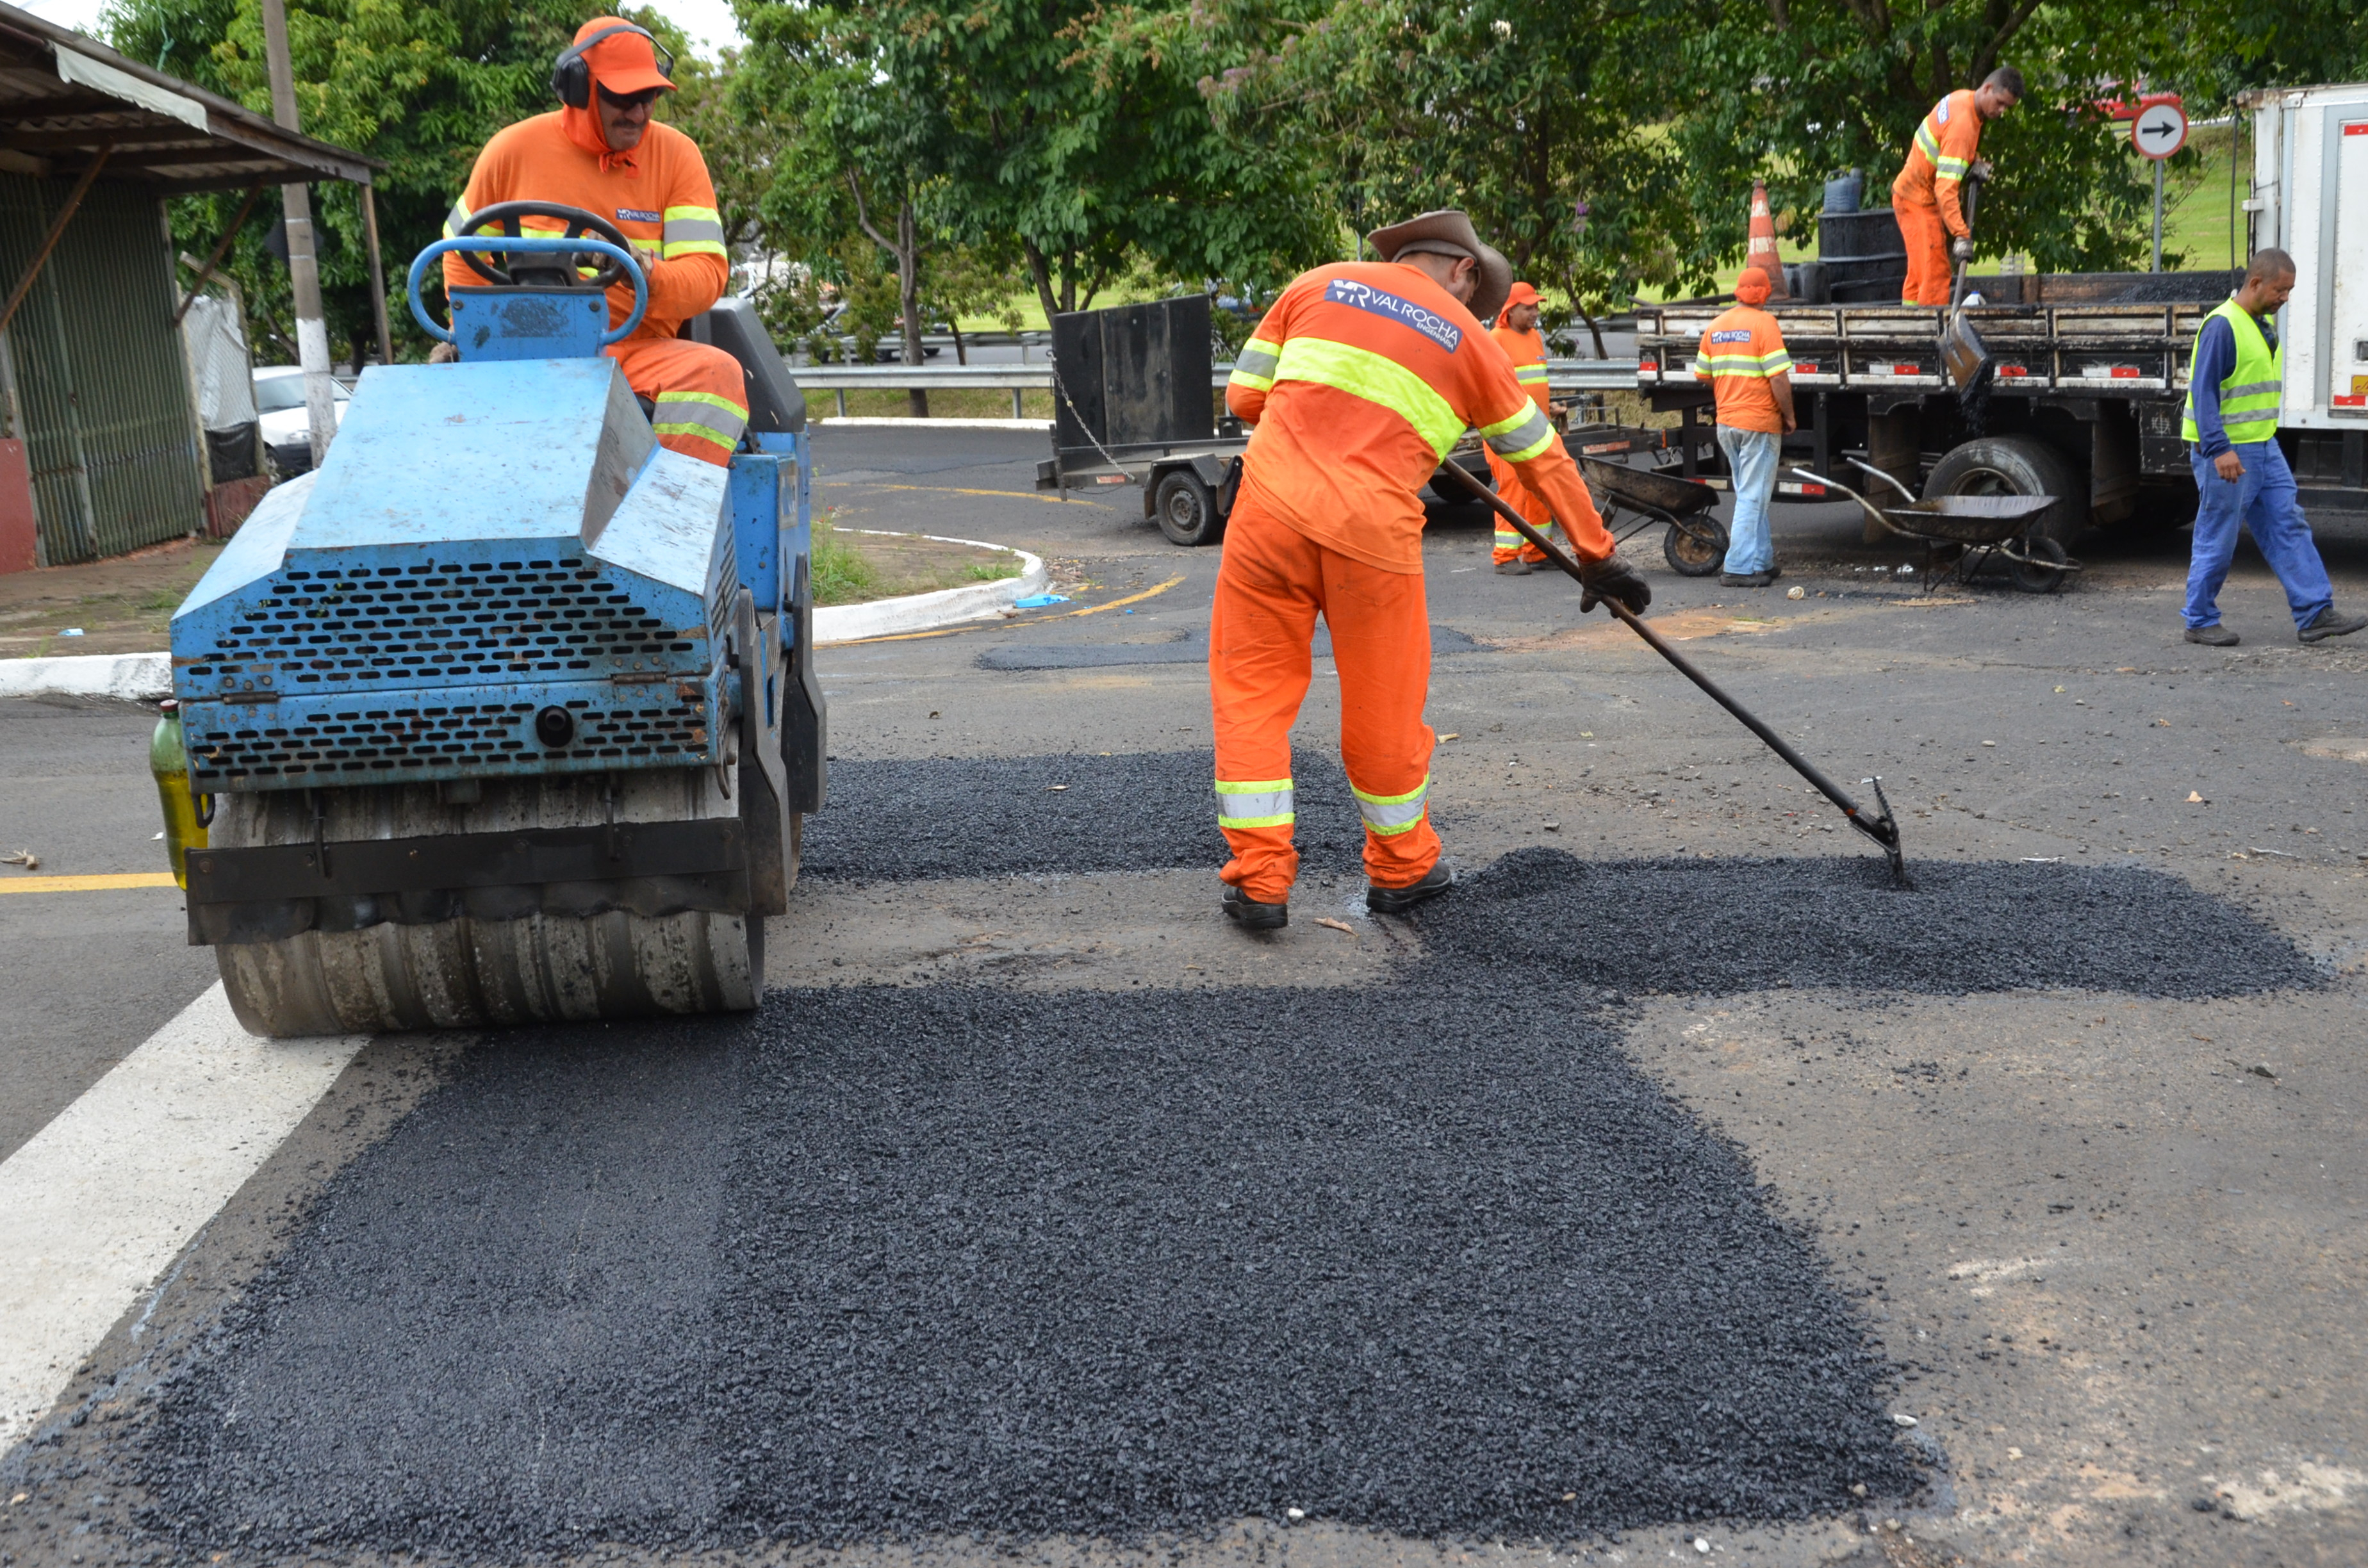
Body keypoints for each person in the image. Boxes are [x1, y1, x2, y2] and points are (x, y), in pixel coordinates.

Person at [1213, 211, 1649, 931]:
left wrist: (1334, 411)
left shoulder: (1317, 285)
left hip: (1268, 519)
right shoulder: (1472, 345)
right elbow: (1541, 460)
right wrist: (1597, 555)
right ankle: (1401, 870)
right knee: (1385, 709)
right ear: (1463, 271)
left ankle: (1259, 881)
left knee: (1251, 695)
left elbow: (1244, 400)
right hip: (1371, 541)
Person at [440, 17, 746, 466]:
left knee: (718, 377)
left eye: (649, 97)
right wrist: (479, 336)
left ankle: (673, 517)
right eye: (624, 98)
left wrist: (645, 271)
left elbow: (707, 276)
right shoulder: (511, 152)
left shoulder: (677, 158)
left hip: (632, 350)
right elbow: (458, 254)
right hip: (522, 353)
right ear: (578, 88)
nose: (639, 113)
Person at [2181, 249, 2367, 646]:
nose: (2286, 297)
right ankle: (2199, 619)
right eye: (2281, 289)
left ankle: (2315, 613)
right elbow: (2204, 393)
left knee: (2288, 524)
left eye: (2290, 290)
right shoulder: (2223, 326)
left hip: (2263, 447)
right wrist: (2219, 449)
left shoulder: (2261, 325)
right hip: (2229, 453)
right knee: (2219, 534)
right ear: (2255, 283)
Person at [1691, 267, 1794, 588]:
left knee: (1753, 493)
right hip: (1759, 423)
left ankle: (1762, 560)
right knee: (1753, 495)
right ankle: (1737, 568)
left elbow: (1703, 374)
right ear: (1765, 293)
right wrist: (1788, 415)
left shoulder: (1717, 326)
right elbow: (1777, 376)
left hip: (1727, 423)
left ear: (1738, 291)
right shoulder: (1765, 324)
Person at [1892, 67, 2021, 307]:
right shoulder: (1964, 126)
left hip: (1909, 193)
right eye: (2000, 103)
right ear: (1988, 88)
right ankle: (1932, 333)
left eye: (2007, 108)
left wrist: (1974, 160)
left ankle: (1909, 329)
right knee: (1936, 275)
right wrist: (1961, 235)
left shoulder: (1963, 99)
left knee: (1919, 274)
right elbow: (1945, 190)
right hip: (1918, 200)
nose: (2001, 111)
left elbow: (1951, 143)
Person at [1484, 281, 1565, 574]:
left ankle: (1539, 551)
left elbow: (1533, 384)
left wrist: (1550, 408)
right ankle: (1505, 557)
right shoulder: (1495, 340)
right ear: (1510, 310)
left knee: (1540, 489)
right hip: (1507, 432)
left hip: (1537, 431)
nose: (1535, 313)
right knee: (1513, 491)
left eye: (1537, 307)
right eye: (1528, 308)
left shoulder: (1534, 338)